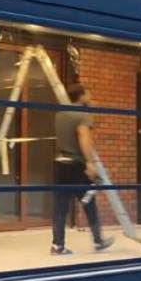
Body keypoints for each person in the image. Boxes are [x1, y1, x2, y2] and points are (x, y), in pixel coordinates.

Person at [51, 84, 114, 255]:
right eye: (88, 93)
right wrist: (90, 163)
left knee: (60, 207)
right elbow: (84, 139)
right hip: (76, 166)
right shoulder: (82, 115)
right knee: (89, 201)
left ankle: (57, 245)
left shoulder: (60, 113)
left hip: (60, 164)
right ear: (81, 96)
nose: (90, 95)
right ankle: (98, 241)